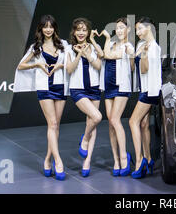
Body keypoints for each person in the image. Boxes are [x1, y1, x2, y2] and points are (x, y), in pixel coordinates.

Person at [14, 14, 68, 180]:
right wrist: (37, 63)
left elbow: (72, 63)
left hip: (60, 87)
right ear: (41, 29)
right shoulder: (36, 47)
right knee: (51, 124)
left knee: (56, 125)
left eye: (51, 26)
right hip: (44, 88)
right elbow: (21, 65)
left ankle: (47, 159)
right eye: (45, 26)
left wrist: (62, 64)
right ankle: (58, 162)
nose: (48, 29)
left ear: (54, 28)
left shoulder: (63, 45)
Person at [65, 18, 103, 177]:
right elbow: (69, 69)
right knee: (97, 117)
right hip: (78, 89)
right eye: (78, 29)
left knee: (92, 123)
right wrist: (79, 53)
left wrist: (89, 54)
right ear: (74, 31)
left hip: (94, 89)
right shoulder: (68, 48)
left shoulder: (95, 47)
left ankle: (86, 162)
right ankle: (85, 139)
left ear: (88, 32)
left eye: (84, 30)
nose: (81, 32)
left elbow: (99, 66)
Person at [99, 18, 135, 176]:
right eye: (117, 28)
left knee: (115, 120)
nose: (119, 31)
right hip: (108, 86)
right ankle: (116, 160)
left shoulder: (129, 46)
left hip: (121, 86)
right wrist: (107, 40)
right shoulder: (113, 44)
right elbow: (104, 55)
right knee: (110, 123)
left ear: (128, 30)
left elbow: (109, 56)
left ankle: (124, 157)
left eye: (122, 28)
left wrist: (131, 56)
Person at [129, 17, 162, 179]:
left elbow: (144, 70)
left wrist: (143, 55)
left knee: (132, 121)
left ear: (149, 28)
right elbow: (134, 67)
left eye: (140, 29)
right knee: (143, 124)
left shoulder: (154, 48)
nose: (138, 32)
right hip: (145, 88)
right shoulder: (141, 45)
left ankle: (139, 160)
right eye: (136, 30)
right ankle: (148, 159)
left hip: (150, 91)